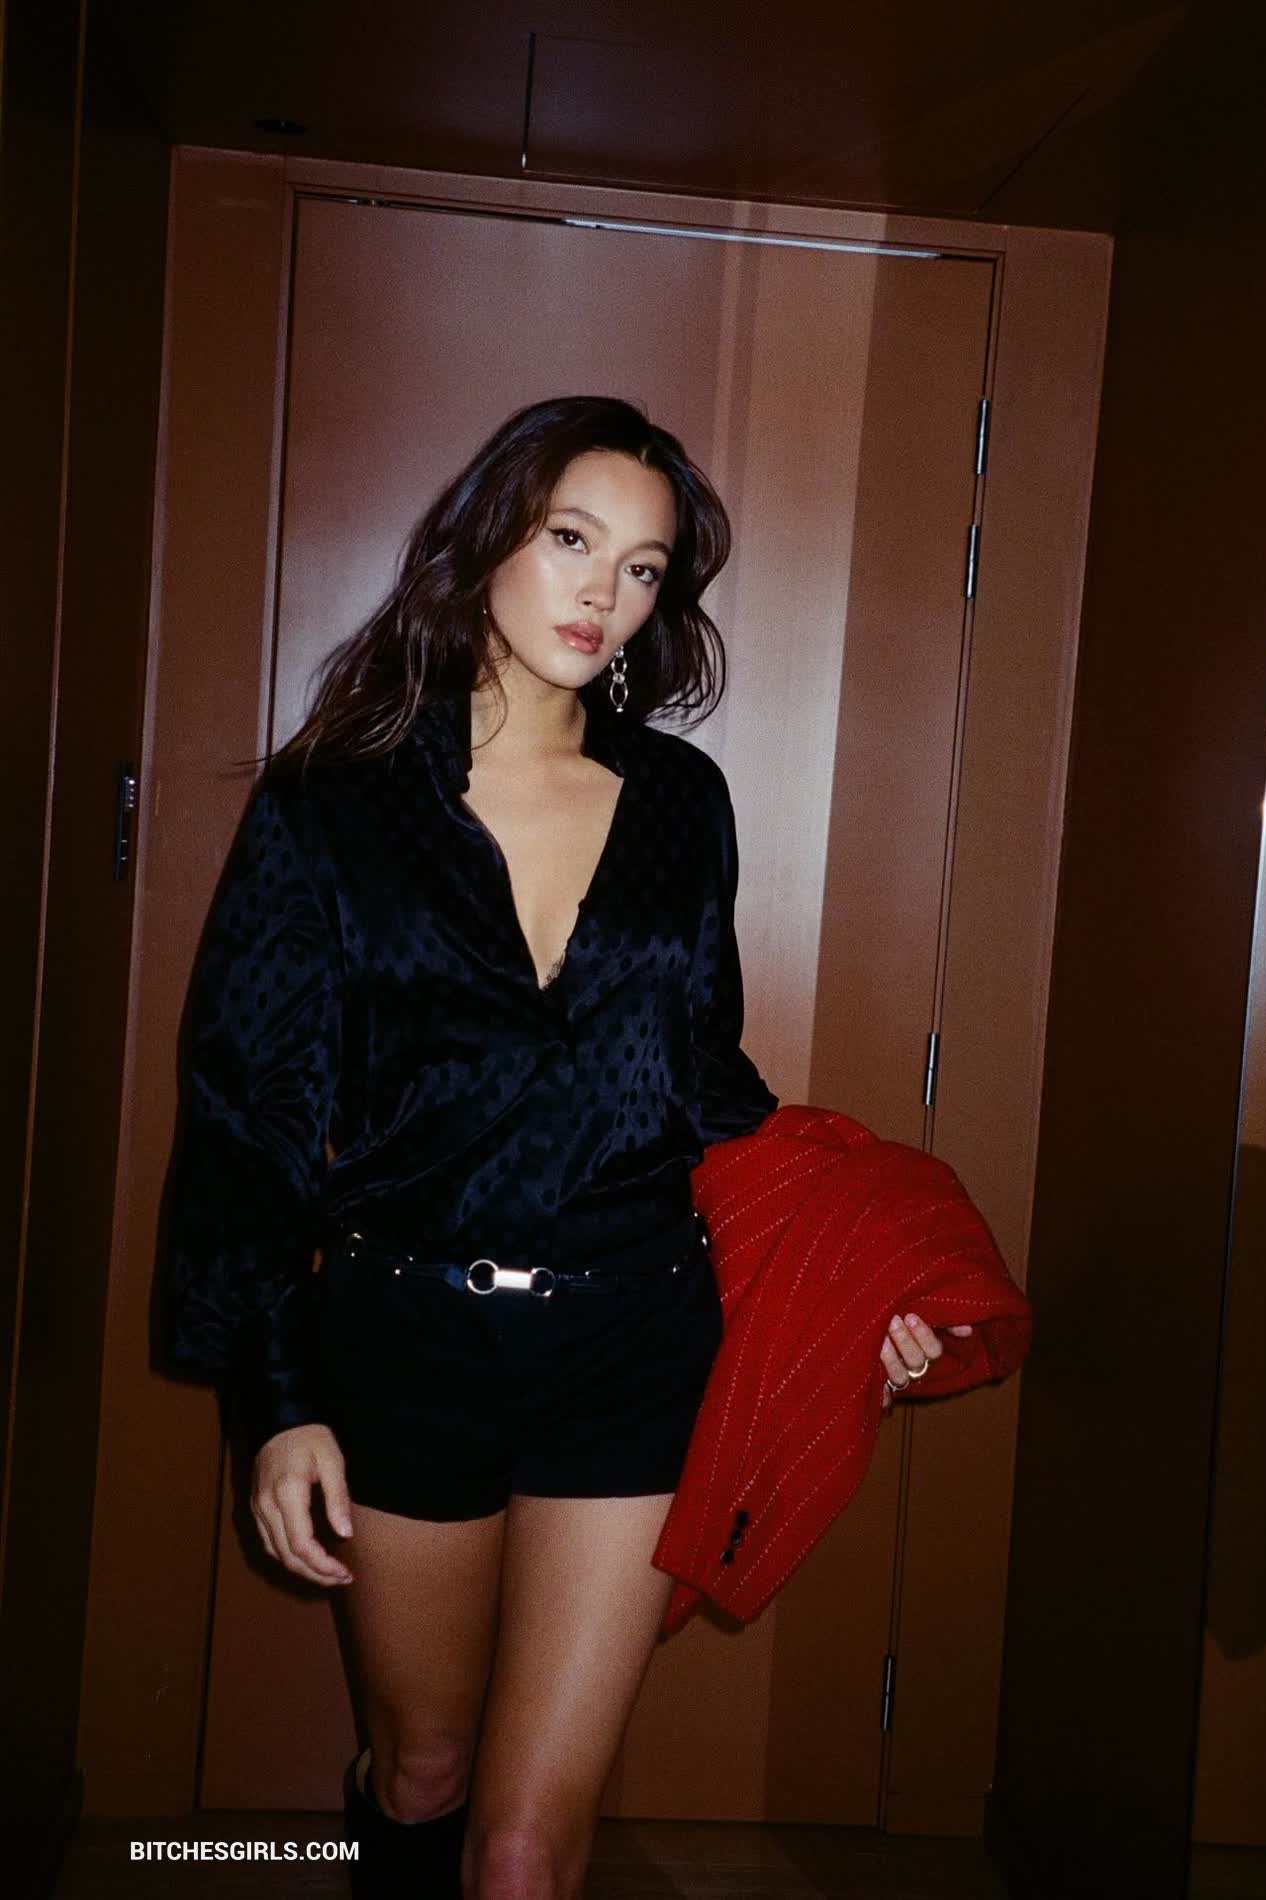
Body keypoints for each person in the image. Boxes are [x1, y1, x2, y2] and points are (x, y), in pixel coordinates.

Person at [160, 394, 946, 1900]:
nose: (606, 594)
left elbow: (704, 1081)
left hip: (633, 1338)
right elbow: (248, 1113)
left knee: (523, 1853)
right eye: (572, 540)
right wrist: (276, 1404)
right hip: (406, 1338)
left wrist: (863, 1278)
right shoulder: (332, 806)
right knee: (426, 1772)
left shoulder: (680, 802)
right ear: (484, 543)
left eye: (644, 568)